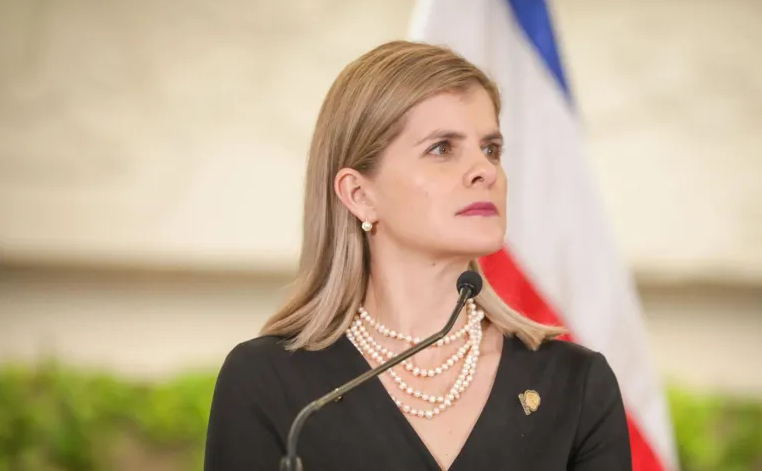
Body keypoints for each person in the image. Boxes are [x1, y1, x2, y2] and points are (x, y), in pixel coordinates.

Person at [204, 40, 632, 471]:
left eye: (491, 149)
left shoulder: (575, 384)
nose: (485, 171)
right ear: (359, 195)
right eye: (442, 148)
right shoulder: (269, 383)